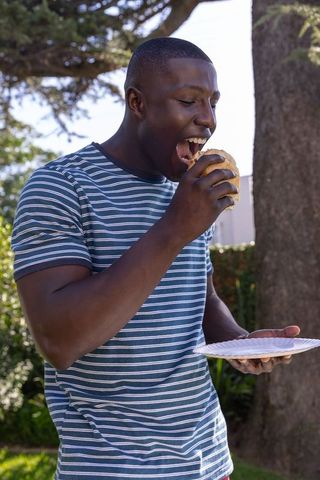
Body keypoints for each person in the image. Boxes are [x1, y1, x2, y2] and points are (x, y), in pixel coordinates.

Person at [12, 37, 300, 480]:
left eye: (212, 103)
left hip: (209, 459)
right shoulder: (60, 187)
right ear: (137, 103)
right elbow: (60, 340)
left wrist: (241, 342)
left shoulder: (188, 191)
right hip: (114, 468)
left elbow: (201, 299)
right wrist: (174, 228)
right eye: (188, 101)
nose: (207, 119)